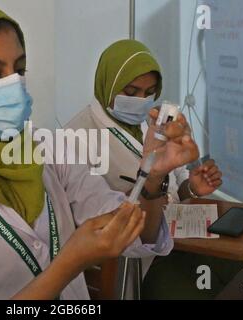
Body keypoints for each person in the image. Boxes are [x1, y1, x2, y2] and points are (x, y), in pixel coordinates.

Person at [0, 0, 198, 300]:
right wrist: (69, 264)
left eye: (19, 71)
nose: (12, 85)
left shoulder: (48, 151)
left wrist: (152, 176)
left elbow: (131, 236)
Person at [65, 40, 223, 299]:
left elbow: (175, 185)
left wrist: (192, 186)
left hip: (175, 243)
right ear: (108, 85)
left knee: (237, 271)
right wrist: (146, 186)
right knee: (208, 290)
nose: (141, 101)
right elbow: (97, 223)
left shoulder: (150, 123)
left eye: (149, 92)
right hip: (132, 264)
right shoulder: (76, 138)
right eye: (131, 91)